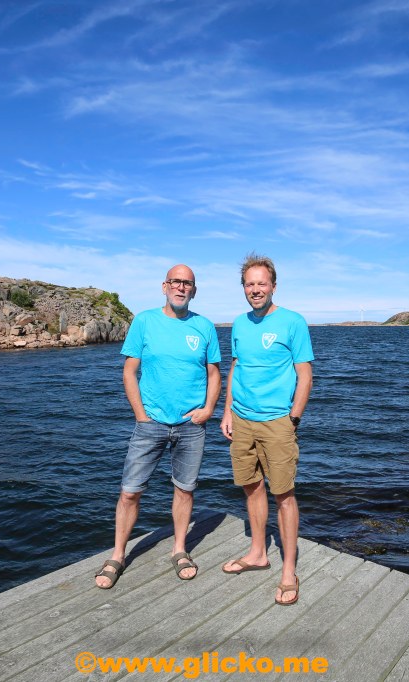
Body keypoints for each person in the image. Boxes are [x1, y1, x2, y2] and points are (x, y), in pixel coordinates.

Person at [95, 264, 221, 589]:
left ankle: (179, 550)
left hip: (191, 425)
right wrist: (140, 414)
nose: (181, 287)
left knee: (185, 489)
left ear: (194, 290)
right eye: (176, 282)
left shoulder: (205, 327)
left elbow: (213, 374)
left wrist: (208, 409)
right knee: (129, 492)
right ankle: (118, 555)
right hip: (149, 424)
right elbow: (129, 371)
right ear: (165, 286)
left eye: (188, 283)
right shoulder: (145, 321)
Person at [219, 253, 313, 606]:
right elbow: (236, 368)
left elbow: (305, 374)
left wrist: (294, 418)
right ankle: (258, 552)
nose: (255, 290)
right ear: (243, 288)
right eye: (249, 284)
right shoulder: (239, 325)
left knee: (283, 495)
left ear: (273, 286)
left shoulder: (293, 322)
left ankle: (289, 569)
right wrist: (227, 411)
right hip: (242, 420)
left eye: (261, 283)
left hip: (277, 422)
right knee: (251, 487)